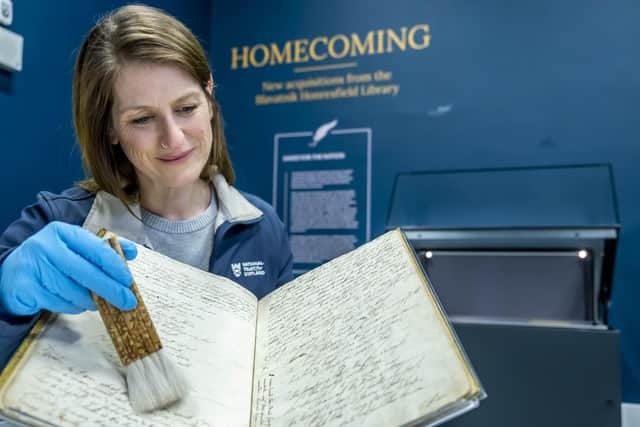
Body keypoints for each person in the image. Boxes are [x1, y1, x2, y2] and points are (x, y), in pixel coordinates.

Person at [0, 4, 292, 368]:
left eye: (186, 108)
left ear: (210, 98)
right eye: (142, 118)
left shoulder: (264, 228)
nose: (173, 138)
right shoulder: (58, 219)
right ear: (110, 129)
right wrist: (6, 298)